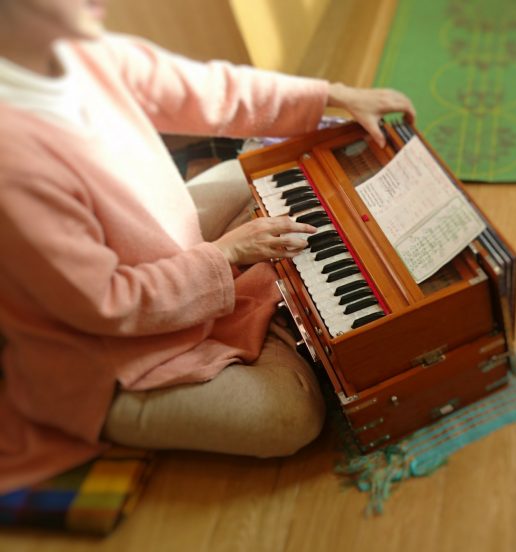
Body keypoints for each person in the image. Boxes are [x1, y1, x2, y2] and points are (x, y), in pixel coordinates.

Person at [0, 0, 416, 493]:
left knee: (260, 167)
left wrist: (336, 95)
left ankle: (266, 306)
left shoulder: (83, 50)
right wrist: (228, 255)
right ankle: (271, 315)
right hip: (106, 359)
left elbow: (213, 89)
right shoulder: (12, 159)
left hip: (169, 250)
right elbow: (105, 303)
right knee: (289, 414)